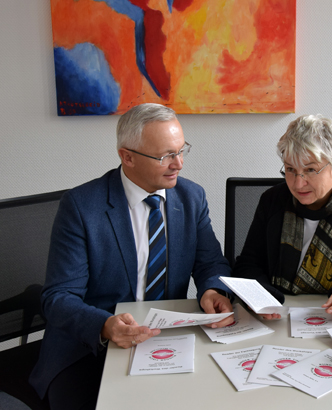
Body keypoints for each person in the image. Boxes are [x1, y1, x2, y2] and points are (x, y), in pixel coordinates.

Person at [29, 103, 234, 409]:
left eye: (181, 151)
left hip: (166, 339)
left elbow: (210, 263)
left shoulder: (192, 198)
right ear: (128, 157)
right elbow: (59, 297)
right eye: (166, 155)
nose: (178, 164)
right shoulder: (82, 206)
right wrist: (104, 325)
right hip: (89, 348)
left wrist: (212, 289)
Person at [233, 114, 332, 320]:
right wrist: (261, 297)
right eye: (290, 169)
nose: (298, 183)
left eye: (310, 170)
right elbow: (248, 263)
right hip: (278, 317)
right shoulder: (271, 200)